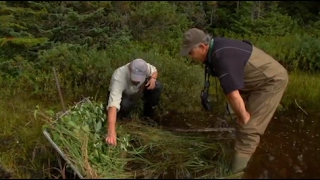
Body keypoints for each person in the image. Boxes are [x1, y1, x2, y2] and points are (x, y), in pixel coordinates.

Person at [179, 28, 289, 176]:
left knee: (248, 129)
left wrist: (244, 117)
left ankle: (235, 174)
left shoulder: (222, 57)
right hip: (252, 81)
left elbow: (232, 94)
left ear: (202, 47)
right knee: (239, 116)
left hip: (270, 82)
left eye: (191, 52)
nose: (191, 57)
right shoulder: (215, 48)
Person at [105, 58, 163, 146]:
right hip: (124, 95)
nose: (137, 81)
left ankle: (148, 115)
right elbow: (113, 105)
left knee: (158, 86)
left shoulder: (144, 67)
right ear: (129, 70)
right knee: (125, 105)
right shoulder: (119, 76)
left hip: (137, 92)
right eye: (135, 78)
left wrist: (153, 79)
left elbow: (154, 70)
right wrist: (111, 131)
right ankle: (122, 118)